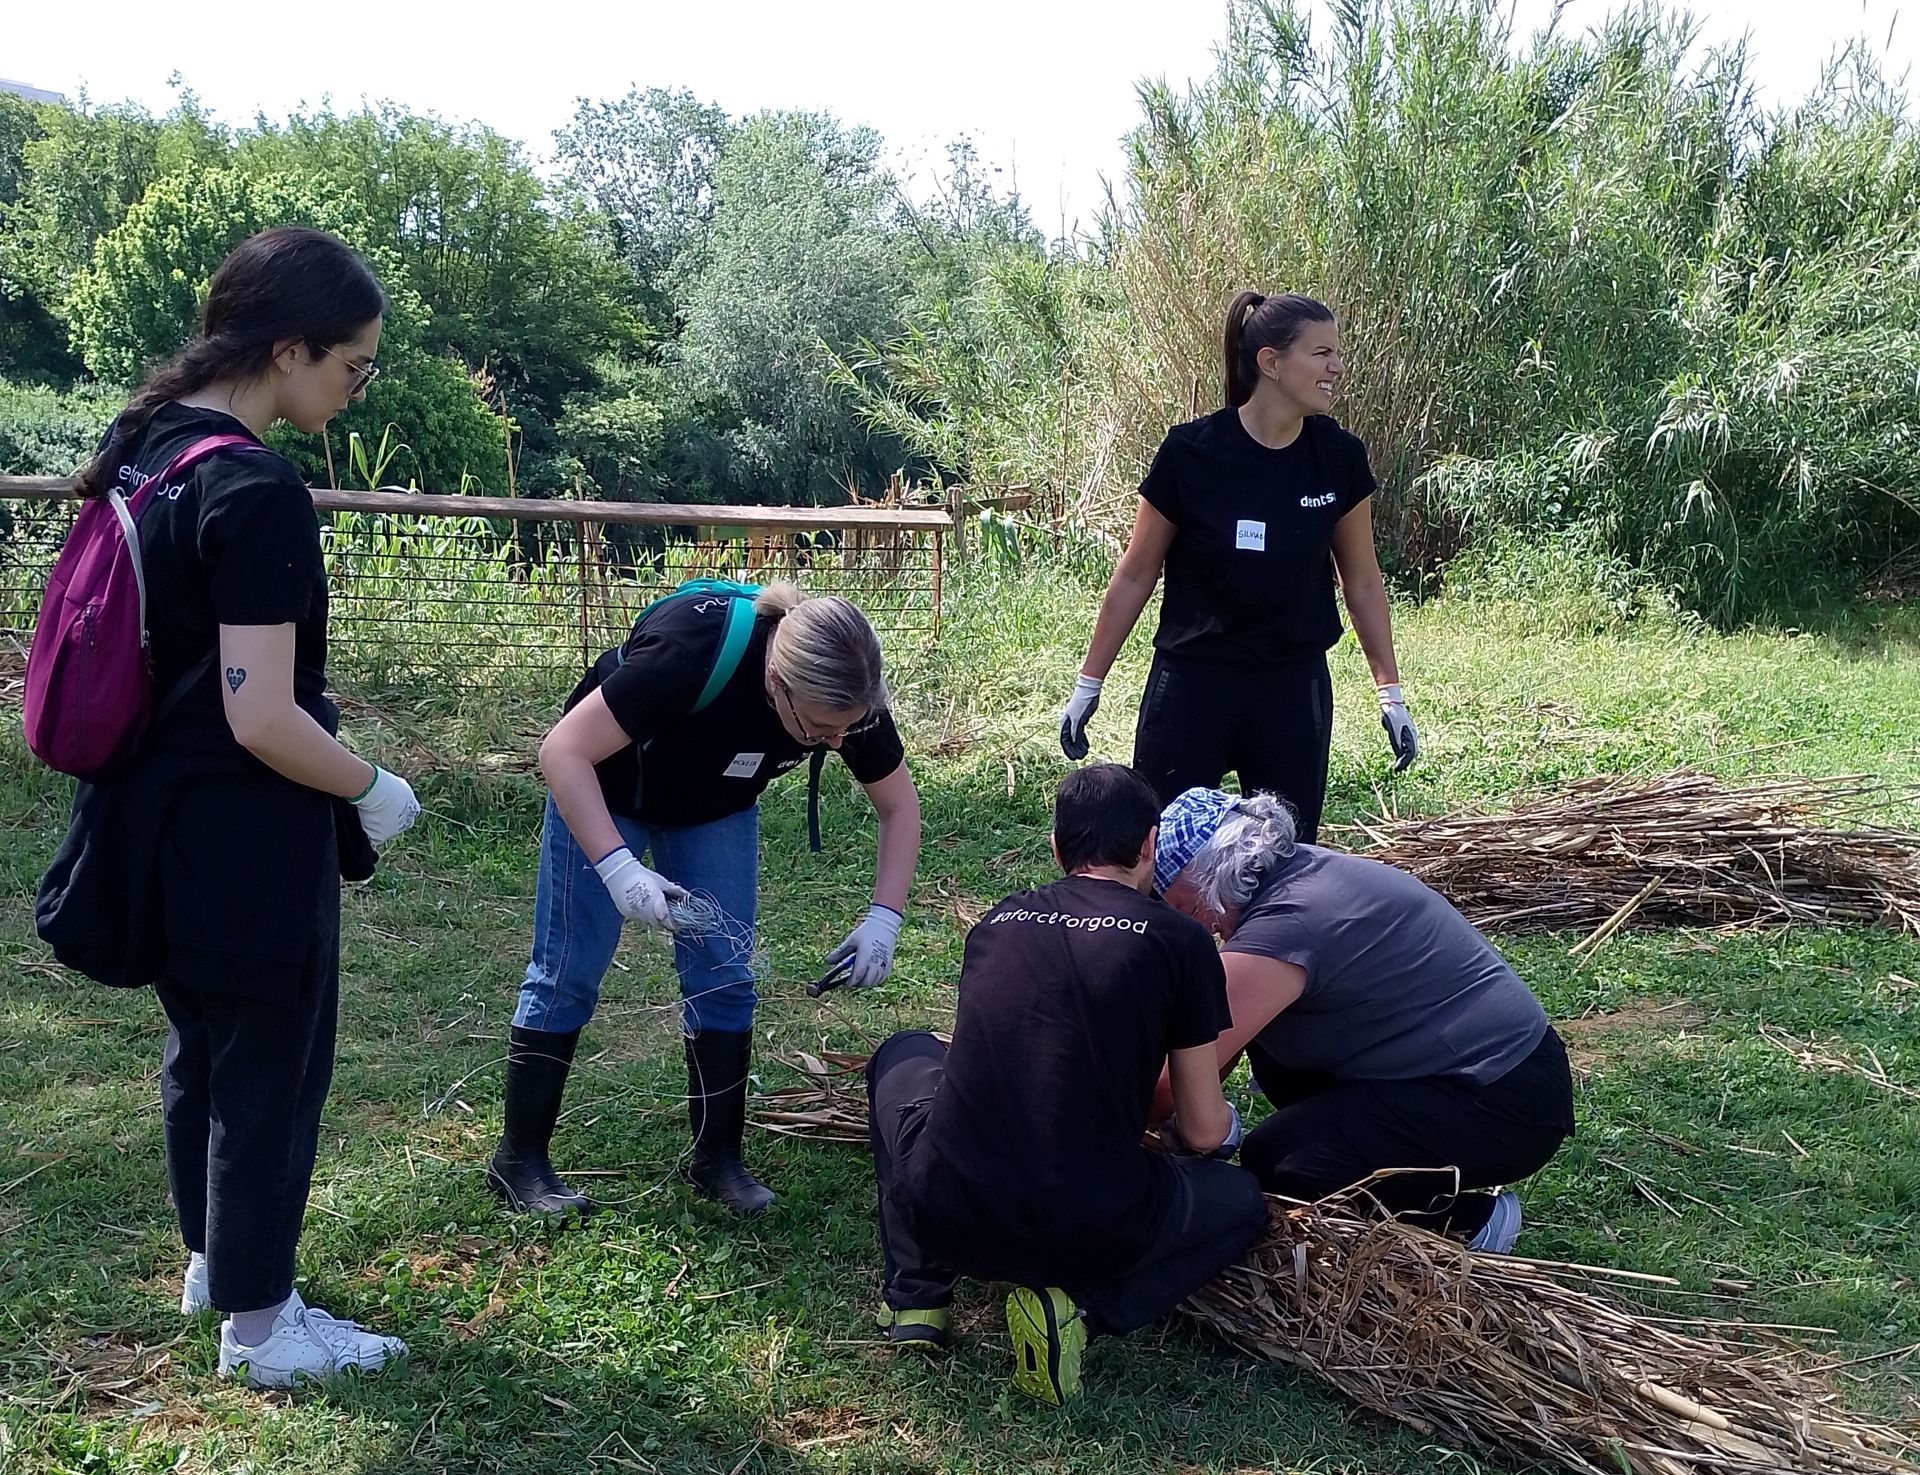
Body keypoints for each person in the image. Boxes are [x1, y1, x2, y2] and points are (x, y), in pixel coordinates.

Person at [34, 228, 421, 1388]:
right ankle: (261, 1326)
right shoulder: (253, 485)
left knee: (199, 1044)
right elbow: (261, 713)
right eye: (350, 366)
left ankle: (215, 1261)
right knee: (270, 1063)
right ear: (288, 346)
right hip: (245, 831)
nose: (353, 393)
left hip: (148, 816)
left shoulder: (146, 446)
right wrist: (372, 783)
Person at [487, 581, 921, 1219]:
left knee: (724, 974)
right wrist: (617, 868)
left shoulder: (846, 693)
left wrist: (885, 918)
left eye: (847, 728)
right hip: (608, 792)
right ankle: (519, 1161)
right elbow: (562, 751)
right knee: (568, 973)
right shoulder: (691, 650)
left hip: (713, 807)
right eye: (823, 730)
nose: (837, 742)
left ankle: (717, 1159)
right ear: (776, 681)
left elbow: (898, 805)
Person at [865, 764, 1269, 1406]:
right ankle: (1080, 1308)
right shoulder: (1182, 942)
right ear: (1148, 846)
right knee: (1242, 1199)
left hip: (951, 1212)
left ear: (1057, 847)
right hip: (1091, 1230)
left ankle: (917, 1298)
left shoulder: (996, 924)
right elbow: (1198, 1128)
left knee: (903, 1053)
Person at [1151, 788, 1576, 1252]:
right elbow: (1218, 1037)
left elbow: (1175, 1078)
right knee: (1277, 1062)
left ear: (1216, 878)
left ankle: (1468, 1223)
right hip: (1478, 1071)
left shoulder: (1289, 923)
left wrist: (1117, 1138)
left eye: (1185, 908)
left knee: (1281, 1164)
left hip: (1502, 1100)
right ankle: (1365, 1150)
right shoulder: (1294, 874)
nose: (1190, 926)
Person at [1059, 291, 1418, 840]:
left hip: (1291, 690)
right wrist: (1090, 682)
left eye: (1336, 354)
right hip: (1192, 685)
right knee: (1164, 852)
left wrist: (1389, 692)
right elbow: (1135, 573)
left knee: (1284, 865)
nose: (1337, 368)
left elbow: (1362, 581)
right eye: (1321, 354)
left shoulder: (1337, 457)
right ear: (1271, 363)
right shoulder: (1190, 452)